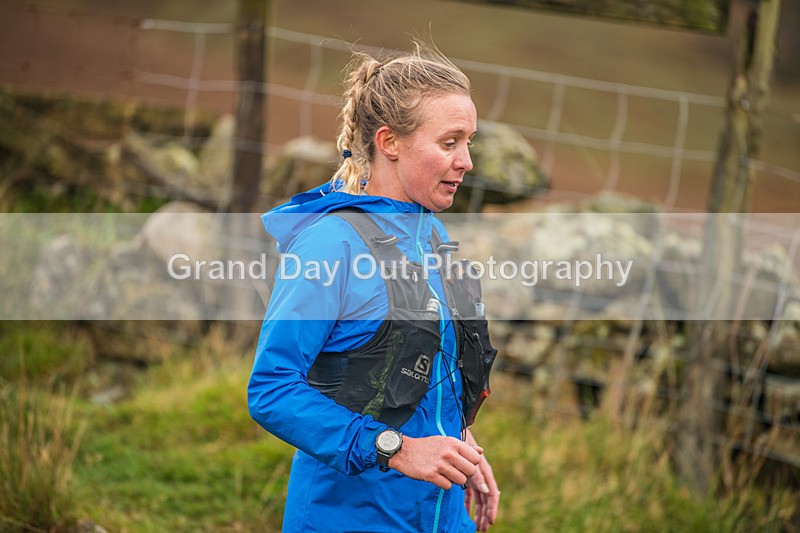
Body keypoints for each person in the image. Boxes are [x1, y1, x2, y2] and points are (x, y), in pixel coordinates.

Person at [248, 42, 500, 532]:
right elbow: (272, 389)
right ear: (390, 142)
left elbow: (419, 369)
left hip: (442, 514)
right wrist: (397, 449)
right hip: (348, 516)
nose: (467, 161)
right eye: (449, 143)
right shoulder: (330, 245)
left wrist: (459, 444)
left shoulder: (431, 235)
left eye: (469, 142)